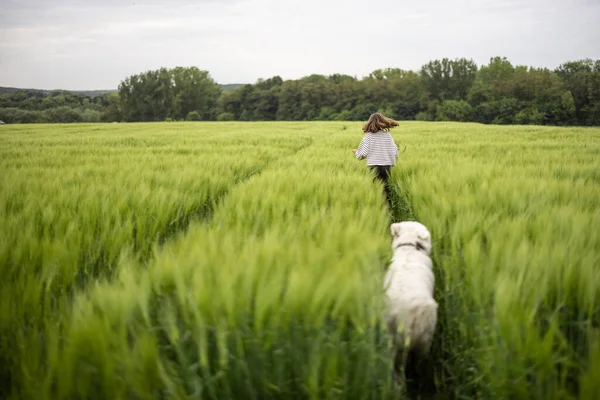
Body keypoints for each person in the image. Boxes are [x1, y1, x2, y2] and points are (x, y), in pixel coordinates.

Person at [352, 113, 399, 207]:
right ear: (383, 122)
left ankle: (378, 209)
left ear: (370, 122)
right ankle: (387, 210)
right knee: (385, 190)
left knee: (376, 190)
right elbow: (395, 153)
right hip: (387, 167)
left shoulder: (368, 136)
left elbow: (362, 154)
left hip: (374, 167)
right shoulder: (388, 135)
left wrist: (356, 152)